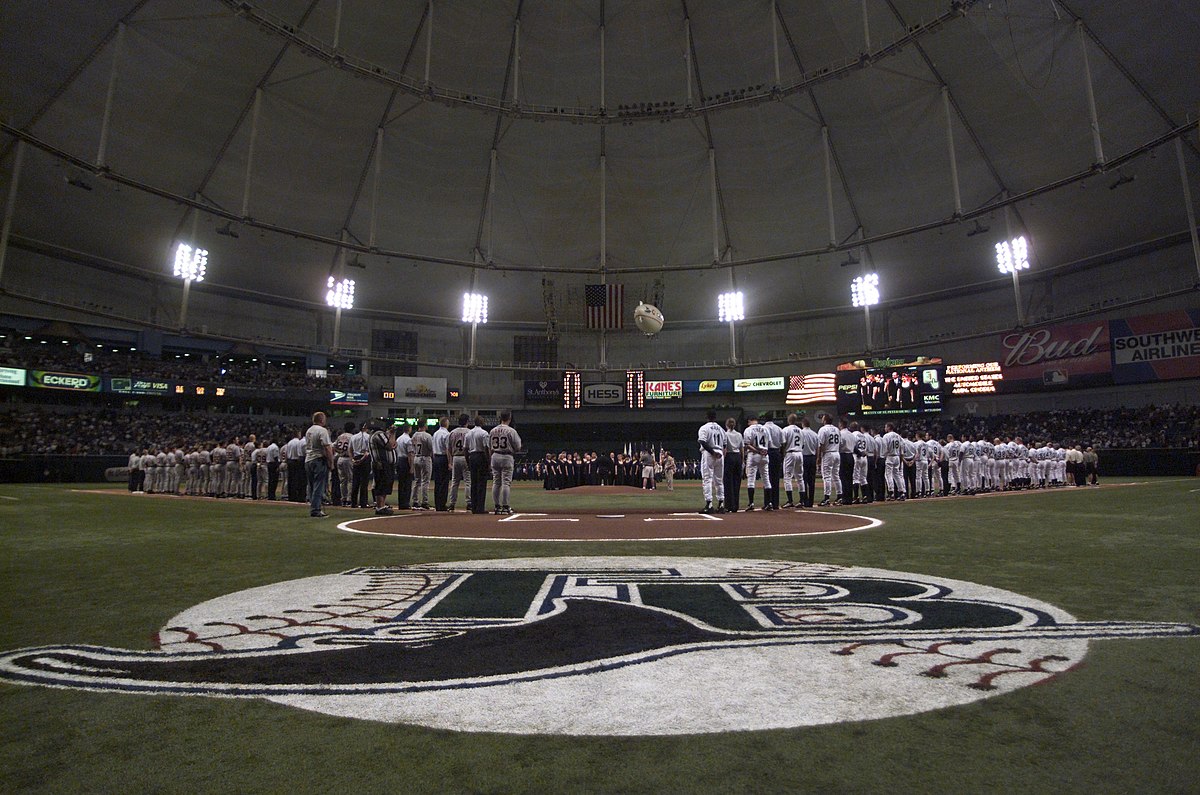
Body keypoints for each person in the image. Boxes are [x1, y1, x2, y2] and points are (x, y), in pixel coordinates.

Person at [488, 410, 522, 515]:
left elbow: (489, 446)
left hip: (495, 455)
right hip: (507, 456)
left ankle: (497, 506)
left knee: (496, 482)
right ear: (509, 418)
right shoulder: (511, 431)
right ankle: (506, 506)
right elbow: (518, 447)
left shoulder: (493, 430)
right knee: (506, 483)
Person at [304, 411, 334, 518]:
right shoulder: (322, 430)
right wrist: (331, 462)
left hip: (308, 459)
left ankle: (313, 506)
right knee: (319, 486)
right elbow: (327, 447)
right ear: (321, 420)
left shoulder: (309, 430)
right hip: (319, 459)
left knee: (312, 486)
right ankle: (316, 509)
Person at [697, 409, 726, 514]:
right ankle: (721, 504)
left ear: (707, 417)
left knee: (707, 479)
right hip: (720, 453)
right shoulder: (721, 429)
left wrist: (713, 452)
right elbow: (725, 444)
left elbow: (702, 441)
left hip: (709, 453)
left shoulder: (704, 428)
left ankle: (709, 504)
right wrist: (720, 454)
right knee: (719, 480)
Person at [368, 422, 397, 515]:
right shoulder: (378, 434)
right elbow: (390, 445)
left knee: (385, 485)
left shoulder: (377, 434)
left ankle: (382, 505)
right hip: (382, 464)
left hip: (384, 464)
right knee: (381, 485)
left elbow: (393, 444)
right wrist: (392, 433)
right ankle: (380, 506)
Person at [466, 415, 490, 514]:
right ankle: (480, 507)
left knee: (473, 482)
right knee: (481, 483)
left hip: (472, 456)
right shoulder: (484, 433)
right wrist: (488, 461)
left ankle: (474, 507)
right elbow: (486, 448)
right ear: (481, 423)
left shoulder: (468, 433)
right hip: (481, 456)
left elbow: (465, 449)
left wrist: (467, 460)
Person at [816, 414, 841, 507]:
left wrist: (819, 457)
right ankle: (840, 496)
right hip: (836, 453)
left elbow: (820, 444)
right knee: (836, 476)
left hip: (828, 453)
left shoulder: (823, 429)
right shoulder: (837, 429)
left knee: (826, 477)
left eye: (823, 418)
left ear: (825, 420)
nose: (822, 419)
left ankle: (826, 498)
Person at [742, 415, 765, 511]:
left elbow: (747, 445)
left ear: (750, 420)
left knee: (751, 479)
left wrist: (757, 451)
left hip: (753, 455)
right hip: (765, 454)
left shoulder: (749, 429)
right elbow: (769, 443)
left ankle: (751, 503)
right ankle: (769, 503)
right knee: (766, 479)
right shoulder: (765, 428)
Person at [780, 413, 803, 509]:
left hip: (790, 453)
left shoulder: (786, 429)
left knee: (787, 477)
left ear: (789, 420)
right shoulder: (800, 430)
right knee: (800, 478)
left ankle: (790, 501)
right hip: (799, 453)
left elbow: (783, 443)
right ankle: (802, 500)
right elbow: (803, 444)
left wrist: (782, 453)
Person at [409, 423, 434, 510]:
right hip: (425, 457)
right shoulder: (427, 435)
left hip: (416, 457)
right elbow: (431, 448)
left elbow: (411, 446)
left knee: (417, 481)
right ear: (425, 425)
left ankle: (415, 501)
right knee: (425, 481)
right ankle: (424, 502)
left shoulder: (414, 435)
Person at [761, 414, 783, 510]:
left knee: (767, 478)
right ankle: (775, 503)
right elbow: (783, 442)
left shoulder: (763, 428)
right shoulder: (778, 428)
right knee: (775, 478)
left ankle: (767, 502)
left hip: (767, 452)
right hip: (777, 452)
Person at [349, 422, 371, 508]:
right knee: (364, 482)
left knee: (355, 481)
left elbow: (350, 449)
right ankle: (363, 502)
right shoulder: (368, 437)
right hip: (364, 458)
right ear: (365, 427)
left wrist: (353, 459)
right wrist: (362, 459)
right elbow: (368, 451)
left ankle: (353, 502)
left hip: (355, 457)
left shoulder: (353, 437)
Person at [723, 418, 743, 512]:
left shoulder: (725, 434)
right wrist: (742, 460)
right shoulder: (739, 435)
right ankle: (736, 505)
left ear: (726, 425)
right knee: (737, 482)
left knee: (728, 482)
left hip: (729, 456)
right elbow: (742, 449)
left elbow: (725, 448)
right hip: (737, 456)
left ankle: (729, 505)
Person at [432, 416, 451, 511]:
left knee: (437, 482)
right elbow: (447, 449)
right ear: (446, 424)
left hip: (436, 458)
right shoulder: (446, 434)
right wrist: (450, 462)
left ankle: (437, 504)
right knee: (444, 483)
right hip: (443, 458)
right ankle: (442, 504)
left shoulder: (435, 433)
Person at [800, 416, 819, 508]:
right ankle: (811, 501)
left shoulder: (801, 433)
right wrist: (817, 458)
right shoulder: (814, 434)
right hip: (812, 457)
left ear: (803, 424)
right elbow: (817, 447)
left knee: (803, 480)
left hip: (803, 457)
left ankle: (804, 499)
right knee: (812, 481)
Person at [334, 422, 354, 506]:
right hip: (348, 459)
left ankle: (343, 498)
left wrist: (340, 452)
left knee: (342, 480)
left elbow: (334, 446)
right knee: (350, 479)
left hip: (340, 458)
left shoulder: (340, 436)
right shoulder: (352, 437)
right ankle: (349, 499)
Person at [395, 423, 413, 509]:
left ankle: (401, 503)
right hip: (405, 461)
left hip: (399, 460)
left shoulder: (398, 439)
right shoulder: (408, 440)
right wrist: (411, 467)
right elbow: (410, 454)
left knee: (401, 484)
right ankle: (405, 503)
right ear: (409, 429)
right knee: (407, 484)